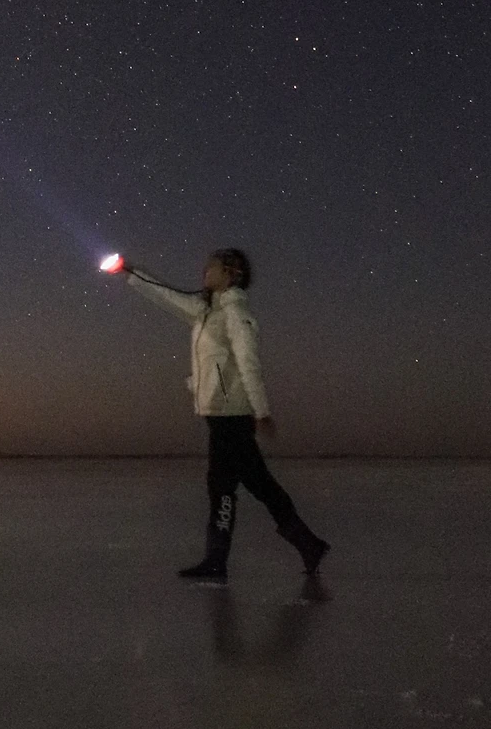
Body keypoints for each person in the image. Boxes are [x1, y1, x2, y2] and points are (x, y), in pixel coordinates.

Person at [107, 248, 329, 582]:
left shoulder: (236, 315)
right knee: (256, 484)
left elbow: (248, 363)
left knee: (225, 486)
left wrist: (261, 411)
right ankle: (306, 545)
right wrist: (131, 274)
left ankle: (219, 560)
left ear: (230, 272)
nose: (204, 272)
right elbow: (167, 296)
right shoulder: (206, 313)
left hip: (232, 416)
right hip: (221, 415)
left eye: (210, 267)